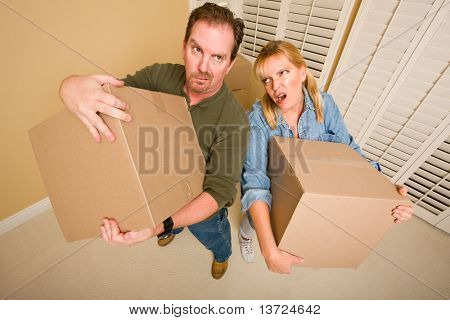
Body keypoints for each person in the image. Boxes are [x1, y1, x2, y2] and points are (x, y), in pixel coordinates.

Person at [59, 3, 249, 280]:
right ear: (184, 45)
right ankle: (172, 228)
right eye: (197, 50)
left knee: (214, 236)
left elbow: (219, 192)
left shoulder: (235, 120)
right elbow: (107, 98)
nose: (203, 67)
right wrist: (70, 87)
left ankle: (222, 255)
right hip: (158, 186)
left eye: (218, 57)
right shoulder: (159, 76)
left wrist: (158, 226)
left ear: (230, 64)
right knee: (168, 221)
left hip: (201, 205)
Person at [239, 40, 414, 274]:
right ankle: (245, 234)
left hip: (306, 196)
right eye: (267, 79)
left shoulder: (325, 104)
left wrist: (387, 193)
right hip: (274, 194)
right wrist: (268, 250)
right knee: (252, 222)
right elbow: (255, 183)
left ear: (302, 71)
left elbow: (350, 154)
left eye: (283, 73)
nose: (275, 86)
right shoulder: (258, 119)